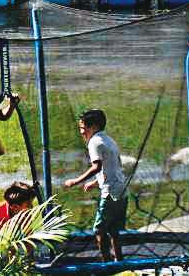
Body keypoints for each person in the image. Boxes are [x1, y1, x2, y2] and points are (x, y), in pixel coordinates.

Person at [64, 109, 127, 263]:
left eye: (82, 128)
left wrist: (75, 181)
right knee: (113, 230)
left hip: (110, 193)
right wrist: (95, 182)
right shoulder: (109, 140)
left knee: (99, 230)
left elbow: (97, 166)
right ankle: (119, 261)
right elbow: (113, 167)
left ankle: (106, 264)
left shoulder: (94, 142)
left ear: (93, 127)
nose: (81, 132)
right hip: (122, 190)